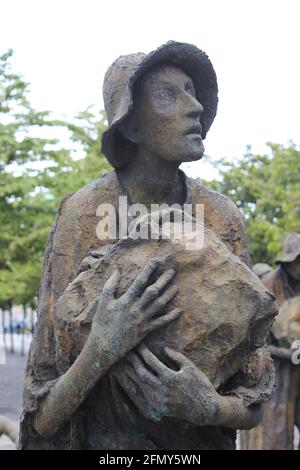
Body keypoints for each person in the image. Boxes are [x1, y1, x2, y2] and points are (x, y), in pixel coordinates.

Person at [20, 41, 274, 450]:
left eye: (192, 90)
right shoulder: (83, 214)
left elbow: (254, 396)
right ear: (131, 125)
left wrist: (208, 407)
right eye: (167, 95)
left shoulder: (222, 218)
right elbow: (42, 417)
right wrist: (101, 349)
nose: (194, 107)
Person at [241, 233, 300, 449]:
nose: (299, 267)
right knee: (277, 428)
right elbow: (255, 338)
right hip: (276, 367)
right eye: (296, 261)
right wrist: (286, 353)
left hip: (295, 364)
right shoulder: (269, 284)